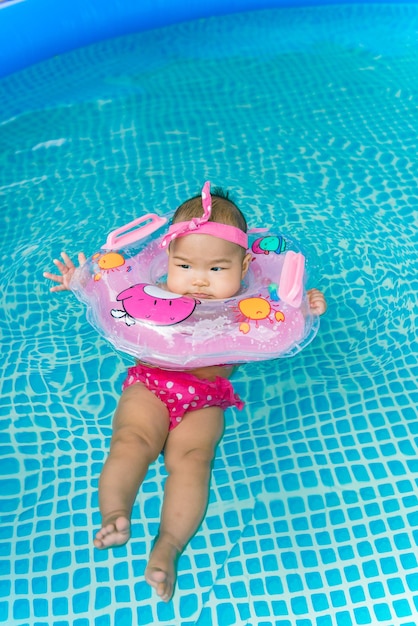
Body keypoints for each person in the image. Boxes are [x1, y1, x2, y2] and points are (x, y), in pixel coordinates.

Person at [44, 182, 326, 602]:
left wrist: (302, 307)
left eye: (216, 270)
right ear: (168, 261)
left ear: (245, 264)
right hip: (151, 383)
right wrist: (79, 281)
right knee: (130, 441)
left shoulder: (251, 302)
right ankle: (115, 514)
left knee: (194, 462)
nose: (198, 280)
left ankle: (168, 548)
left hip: (207, 396)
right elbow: (107, 288)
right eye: (186, 266)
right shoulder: (152, 293)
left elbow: (284, 318)